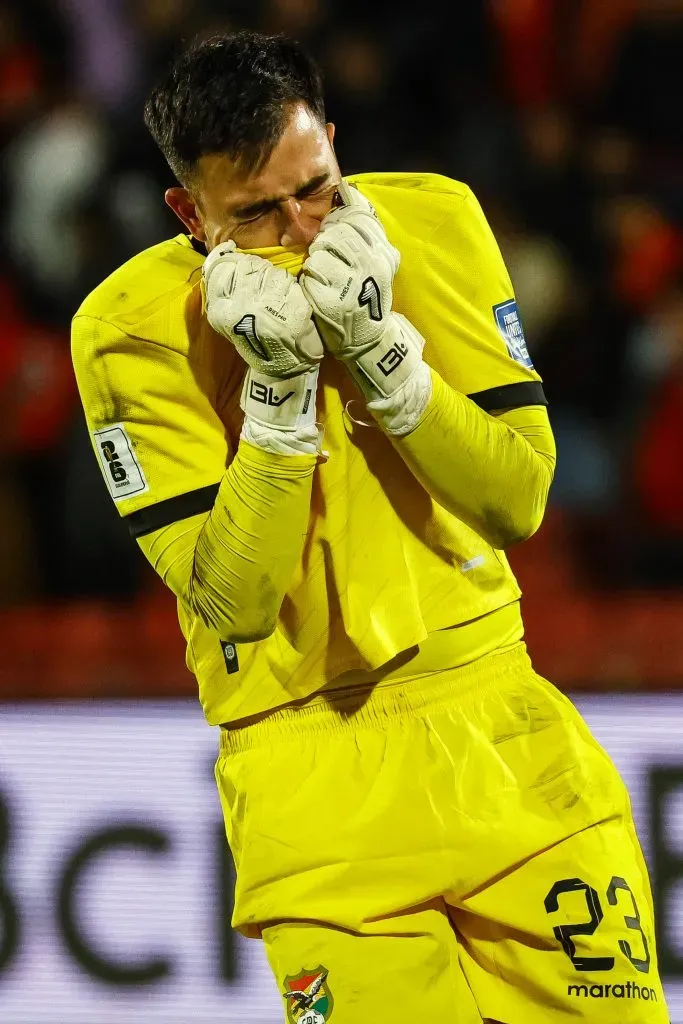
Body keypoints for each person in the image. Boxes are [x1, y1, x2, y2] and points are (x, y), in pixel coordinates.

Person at [70, 31, 668, 1024]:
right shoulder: (129, 330)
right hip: (310, 778)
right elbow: (234, 597)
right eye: (256, 213)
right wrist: (276, 398)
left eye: (317, 187)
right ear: (189, 212)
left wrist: (387, 363)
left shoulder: (432, 222)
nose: (303, 230)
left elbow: (516, 498)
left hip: (499, 738)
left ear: (333, 141)